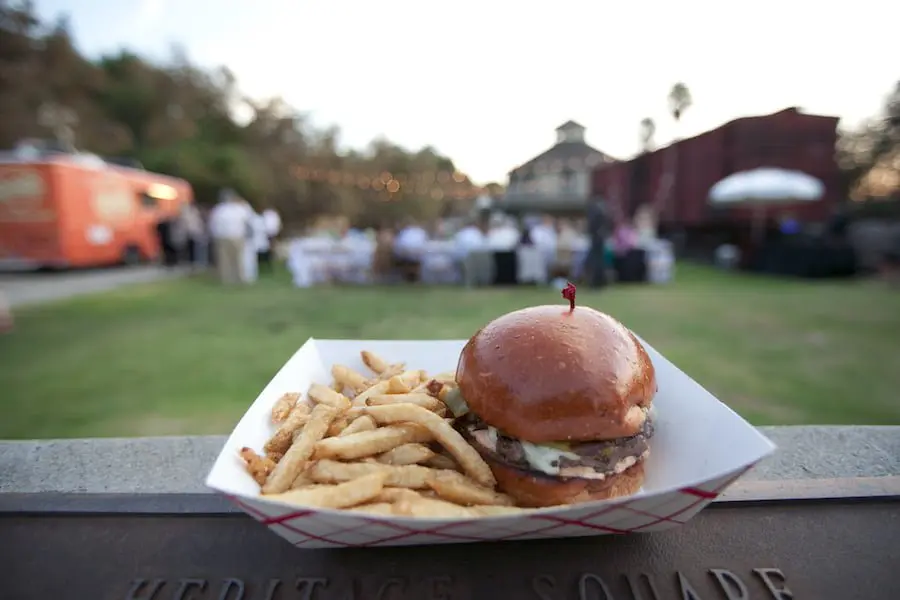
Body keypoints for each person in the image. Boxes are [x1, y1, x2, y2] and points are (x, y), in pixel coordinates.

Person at [208, 189, 253, 285]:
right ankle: (238, 278)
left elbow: (213, 225)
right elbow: (247, 222)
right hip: (236, 237)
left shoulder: (219, 210)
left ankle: (228, 279)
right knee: (237, 259)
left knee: (226, 260)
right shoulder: (238, 209)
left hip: (225, 237)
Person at [583, 198, 612, 288]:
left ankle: (596, 281)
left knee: (596, 261)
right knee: (596, 261)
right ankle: (596, 281)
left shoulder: (594, 213)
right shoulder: (598, 214)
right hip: (597, 241)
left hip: (596, 241)